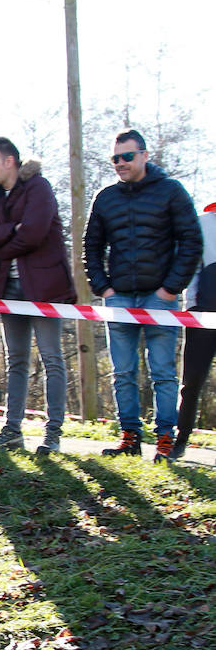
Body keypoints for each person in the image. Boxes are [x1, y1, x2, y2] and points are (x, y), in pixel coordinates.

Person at [85, 129, 202, 461]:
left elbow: (191, 241)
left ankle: (165, 438)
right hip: (119, 298)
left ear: (144, 155)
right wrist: (103, 287)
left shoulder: (171, 192)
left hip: (160, 298)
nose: (120, 163)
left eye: (127, 156)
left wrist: (170, 289)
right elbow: (91, 246)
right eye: (115, 158)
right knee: (122, 372)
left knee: (163, 371)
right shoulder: (105, 197)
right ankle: (130, 438)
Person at [0, 139, 76, 455]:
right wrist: (9, 231)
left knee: (51, 358)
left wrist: (1, 245)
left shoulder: (38, 188)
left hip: (46, 288)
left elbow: (34, 232)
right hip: (10, 291)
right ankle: (12, 430)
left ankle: (52, 434)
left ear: (9, 161)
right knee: (16, 360)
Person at [173, 202, 216, 460]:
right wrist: (192, 309)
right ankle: (181, 440)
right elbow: (191, 267)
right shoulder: (202, 222)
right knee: (192, 382)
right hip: (203, 314)